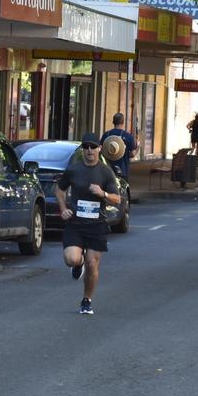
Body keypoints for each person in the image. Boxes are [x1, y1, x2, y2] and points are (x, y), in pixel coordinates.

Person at [56, 133, 122, 315]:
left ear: (100, 149)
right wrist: (63, 209)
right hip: (75, 223)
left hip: (97, 225)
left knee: (93, 263)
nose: (89, 150)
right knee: (70, 259)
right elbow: (59, 189)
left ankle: (86, 301)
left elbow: (117, 199)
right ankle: (79, 263)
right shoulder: (74, 169)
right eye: (86, 147)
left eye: (93, 147)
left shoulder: (106, 172)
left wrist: (103, 194)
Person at [102, 113, 137, 180]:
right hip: (123, 170)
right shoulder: (128, 136)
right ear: (123, 122)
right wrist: (138, 147)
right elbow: (133, 154)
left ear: (113, 122)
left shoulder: (106, 135)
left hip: (107, 169)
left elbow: (101, 149)